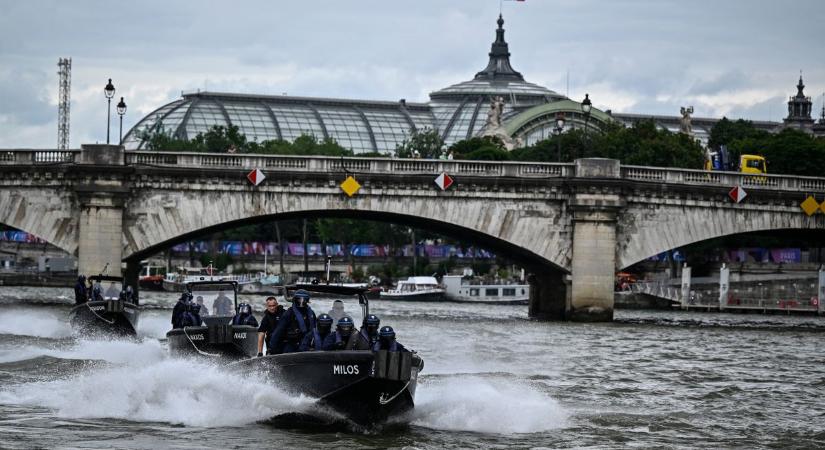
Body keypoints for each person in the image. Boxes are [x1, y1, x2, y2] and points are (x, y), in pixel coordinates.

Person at [269, 290, 319, 354]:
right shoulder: (288, 313)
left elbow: (315, 329)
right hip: (291, 344)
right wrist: (272, 348)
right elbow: (278, 331)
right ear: (295, 300)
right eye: (299, 300)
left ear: (307, 300)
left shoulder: (311, 313)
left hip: (307, 344)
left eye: (304, 300)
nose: (302, 302)